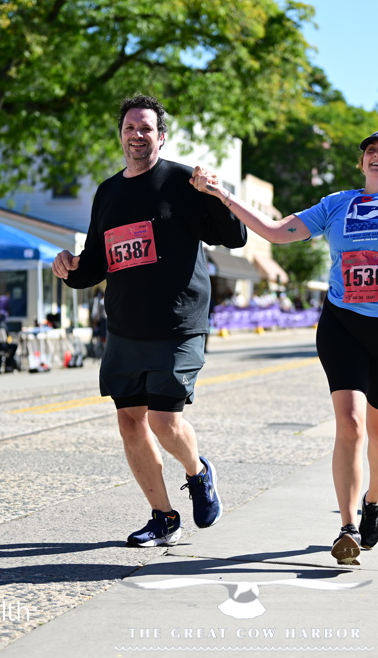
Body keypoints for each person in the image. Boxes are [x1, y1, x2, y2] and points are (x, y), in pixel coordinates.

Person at [190, 51, 378, 564]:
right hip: (343, 324)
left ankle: (374, 501)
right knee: (348, 424)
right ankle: (347, 526)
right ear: (361, 161)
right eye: (371, 150)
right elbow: (275, 232)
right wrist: (223, 196)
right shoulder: (335, 205)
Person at [52, 94, 247, 547]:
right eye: (129, 128)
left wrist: (216, 194)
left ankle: (198, 474)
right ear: (120, 135)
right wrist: (69, 268)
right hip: (125, 326)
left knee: (163, 420)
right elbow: (97, 262)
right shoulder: (108, 192)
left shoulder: (182, 181)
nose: (137, 135)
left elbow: (234, 236)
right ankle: (163, 517)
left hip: (178, 323)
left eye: (146, 128)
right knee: (129, 421)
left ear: (161, 136)